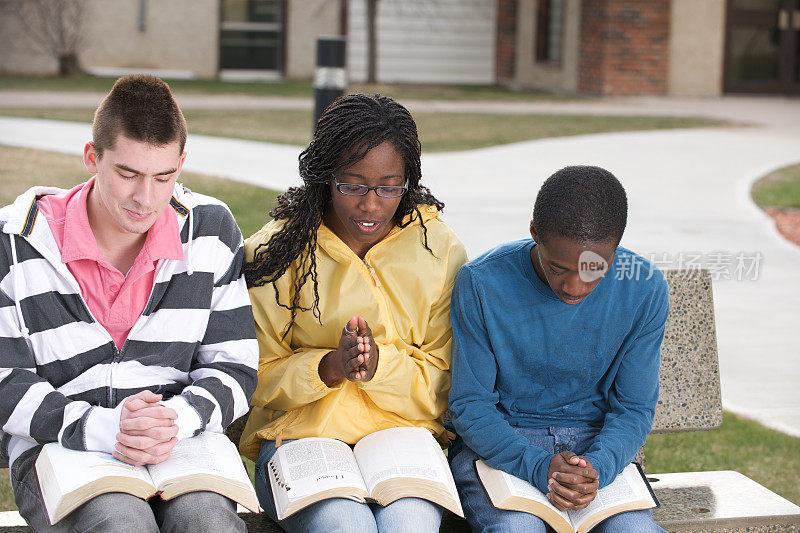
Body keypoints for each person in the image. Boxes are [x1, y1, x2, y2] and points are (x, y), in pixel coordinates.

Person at [0, 75, 258, 532]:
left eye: (164, 177)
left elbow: (234, 367)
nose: (146, 198)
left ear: (182, 163)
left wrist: (174, 419)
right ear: (92, 158)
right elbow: (5, 382)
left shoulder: (211, 231)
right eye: (127, 174)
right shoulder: (15, 242)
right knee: (121, 523)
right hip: (60, 450)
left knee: (208, 523)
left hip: (179, 444)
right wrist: (106, 429)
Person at [239, 93, 467, 532]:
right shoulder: (276, 251)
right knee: (346, 527)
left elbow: (446, 376)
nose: (370, 204)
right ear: (326, 177)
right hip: (301, 439)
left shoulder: (438, 249)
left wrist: (381, 367)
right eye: (352, 184)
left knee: (410, 526)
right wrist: (327, 367)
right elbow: (254, 375)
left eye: (388, 186)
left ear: (408, 181)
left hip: (404, 440)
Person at [447, 166, 669, 532]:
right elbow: (470, 405)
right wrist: (536, 465)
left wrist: (598, 465)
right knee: (517, 528)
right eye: (557, 267)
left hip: (594, 446)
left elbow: (633, 407)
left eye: (594, 269)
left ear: (616, 248)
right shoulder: (483, 282)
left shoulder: (644, 289)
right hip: (502, 442)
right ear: (534, 233)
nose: (575, 287)